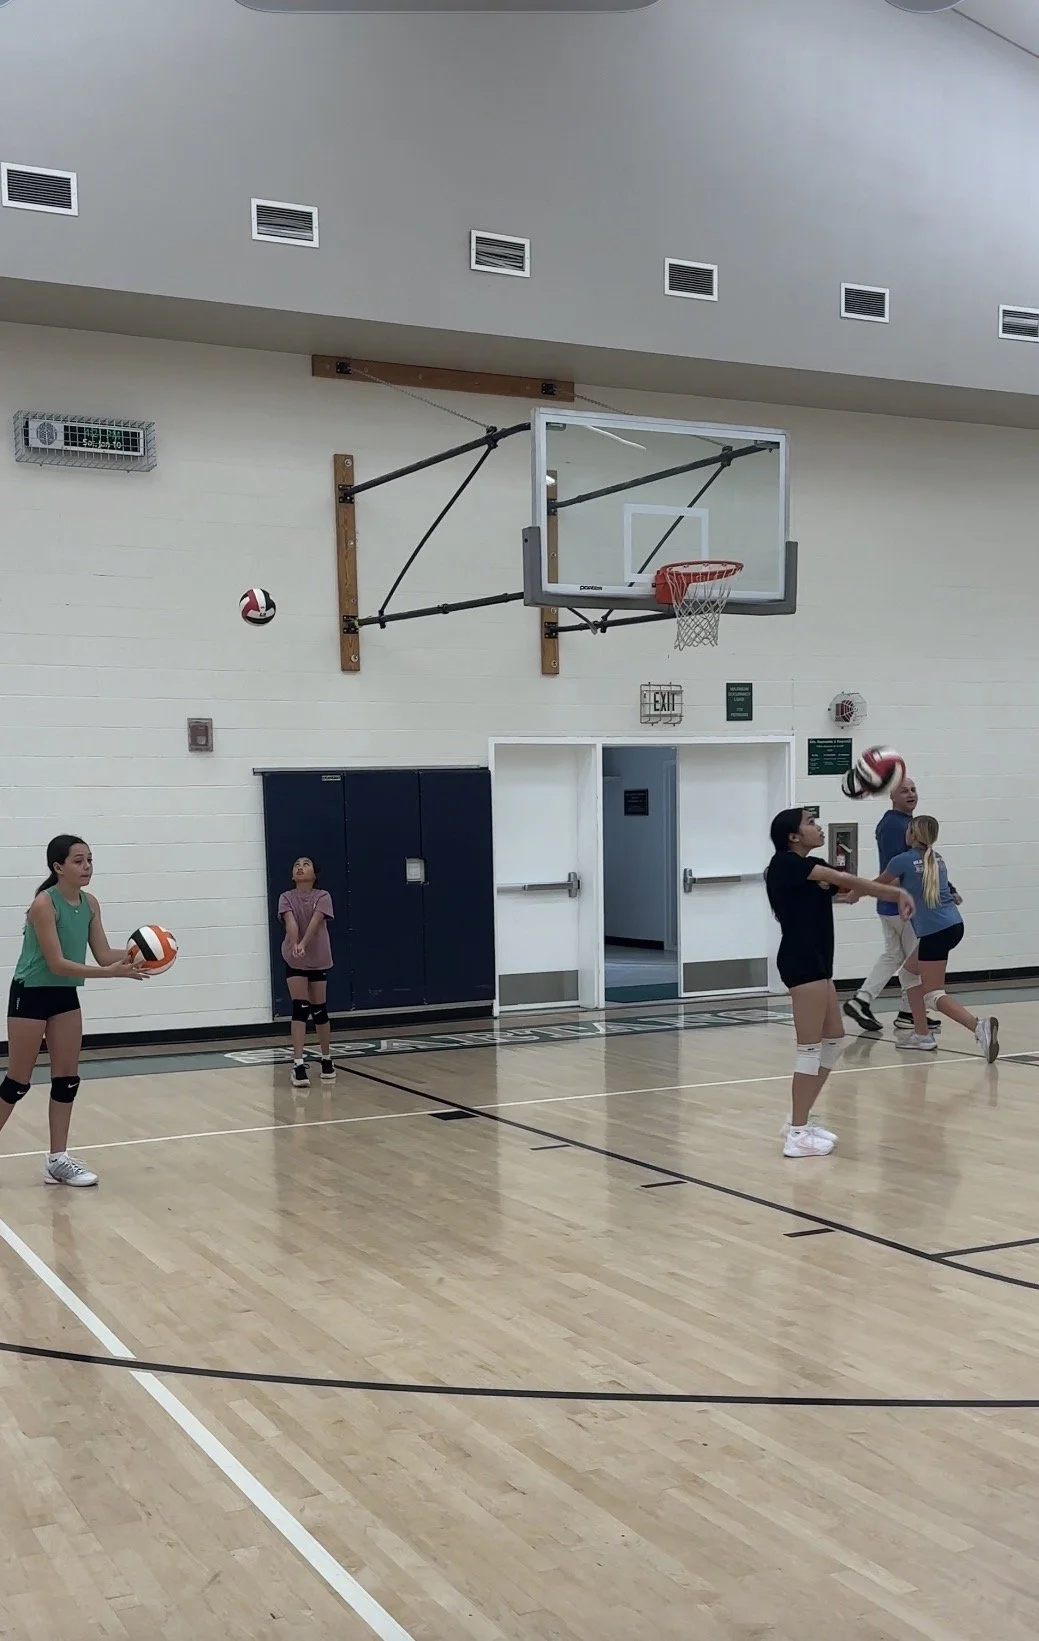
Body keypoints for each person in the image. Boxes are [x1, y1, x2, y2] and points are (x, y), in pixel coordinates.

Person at [766, 808, 914, 1158]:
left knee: (834, 1039)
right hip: (801, 961)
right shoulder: (787, 864)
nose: (817, 827)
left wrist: (855, 892)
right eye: (810, 823)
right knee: (809, 1048)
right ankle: (797, 1134)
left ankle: (797, 1120)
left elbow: (845, 889)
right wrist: (893, 894)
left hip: (819, 961)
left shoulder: (809, 866)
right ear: (793, 836)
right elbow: (849, 881)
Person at [2, 835, 145, 1187]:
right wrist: (109, 974)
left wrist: (138, 955)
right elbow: (58, 963)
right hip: (31, 995)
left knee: (67, 1079)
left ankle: (58, 1160)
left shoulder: (90, 903)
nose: (87, 867)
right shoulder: (43, 905)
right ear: (58, 867)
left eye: (90, 860)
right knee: (17, 1082)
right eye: (79, 861)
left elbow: (102, 953)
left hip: (64, 998)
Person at [879, 815, 998, 1061]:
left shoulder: (901, 860)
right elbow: (909, 889)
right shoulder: (937, 859)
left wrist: (844, 890)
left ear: (911, 834)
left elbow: (878, 886)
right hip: (953, 925)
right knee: (908, 974)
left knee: (932, 994)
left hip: (936, 932)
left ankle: (978, 1026)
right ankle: (922, 1035)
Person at [843, 774, 941, 1037]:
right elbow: (897, 869)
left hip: (891, 902)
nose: (911, 793)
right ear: (892, 797)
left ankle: (862, 1000)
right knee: (915, 961)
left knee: (894, 955)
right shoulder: (895, 826)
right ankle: (910, 1013)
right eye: (904, 790)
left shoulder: (904, 823)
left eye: (914, 788)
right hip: (902, 905)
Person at [278, 857, 336, 1089]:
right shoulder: (286, 897)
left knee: (320, 1011)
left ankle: (326, 1059)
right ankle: (299, 1065)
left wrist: (304, 943)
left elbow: (315, 922)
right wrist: (295, 944)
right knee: (300, 1007)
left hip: (318, 956)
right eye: (296, 865)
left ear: (314, 873)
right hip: (295, 957)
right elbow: (290, 921)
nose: (300, 867)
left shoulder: (323, 896)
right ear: (293, 875)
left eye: (306, 864)